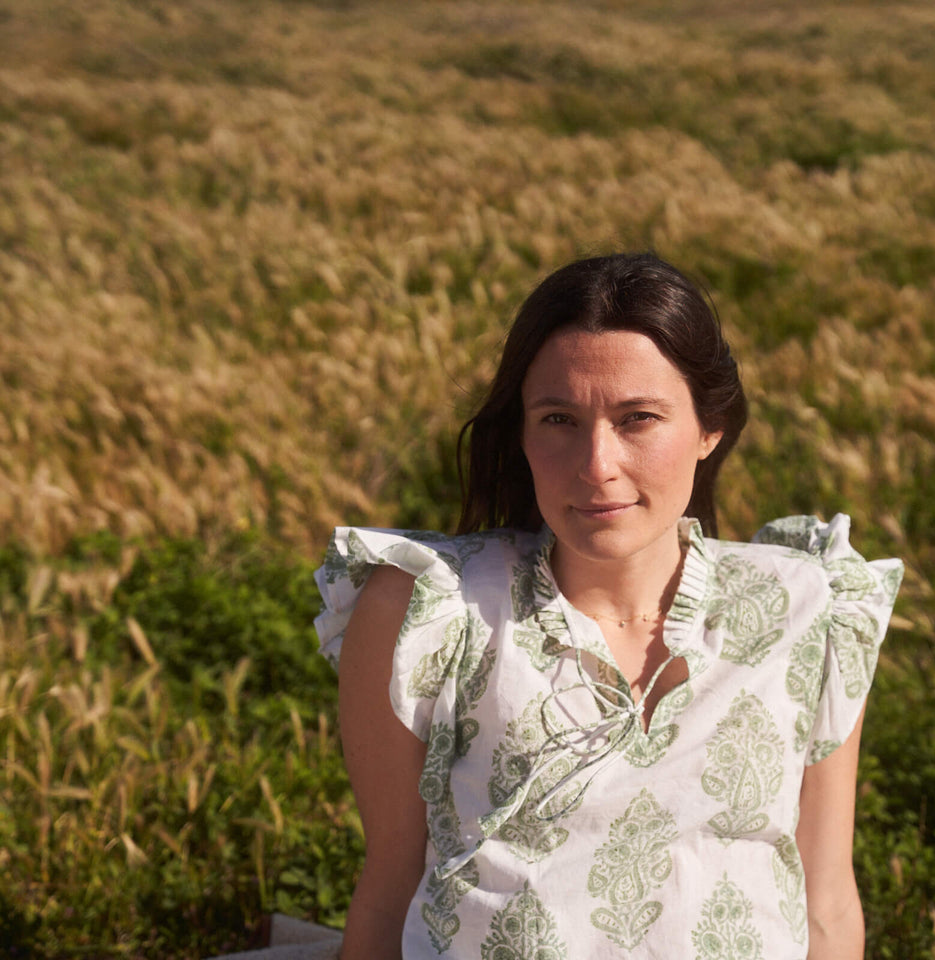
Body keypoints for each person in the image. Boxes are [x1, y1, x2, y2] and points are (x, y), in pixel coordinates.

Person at [314, 252, 903, 960]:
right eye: (558, 418)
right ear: (522, 435)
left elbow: (828, 902)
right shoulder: (426, 610)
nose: (597, 464)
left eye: (638, 418)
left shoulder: (804, 609)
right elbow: (389, 889)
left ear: (709, 428)